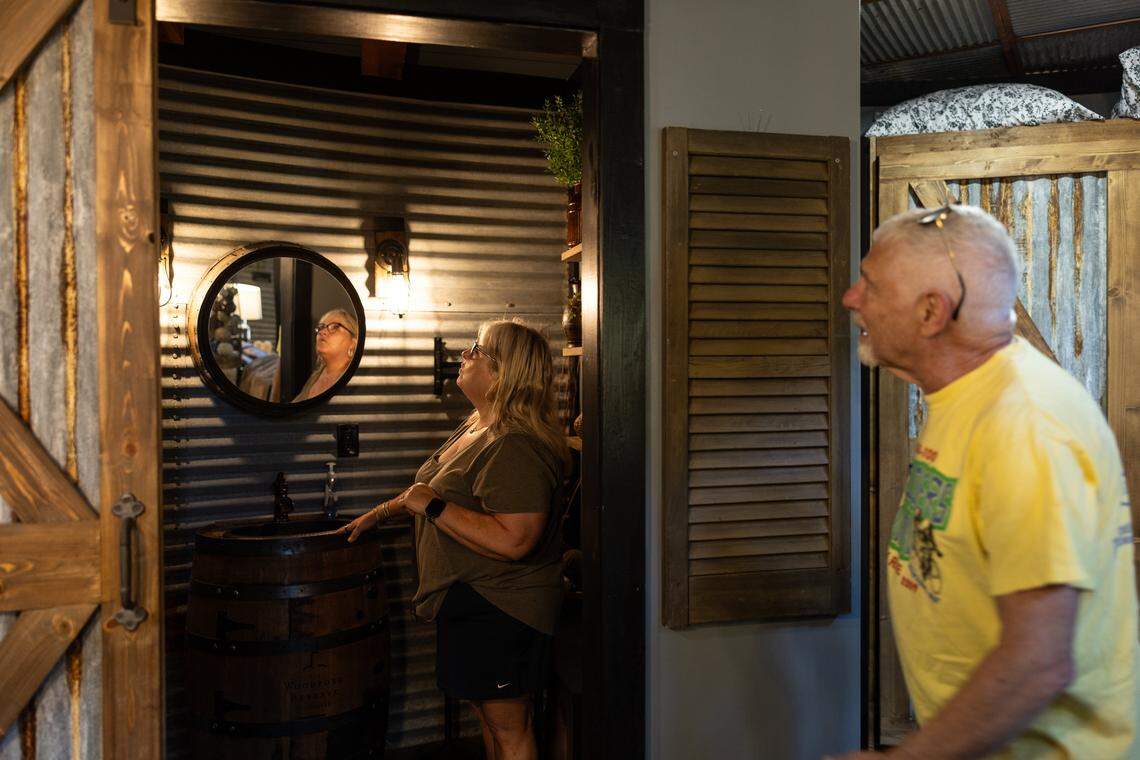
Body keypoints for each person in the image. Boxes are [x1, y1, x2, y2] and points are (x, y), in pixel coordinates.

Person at [833, 204, 1139, 759]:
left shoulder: (1025, 426)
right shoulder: (968, 395)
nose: (852, 299)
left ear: (931, 313)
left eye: (870, 285)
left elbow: (1038, 663)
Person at [339, 319, 570, 760]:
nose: (464, 355)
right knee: (488, 719)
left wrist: (434, 508)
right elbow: (425, 491)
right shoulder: (477, 426)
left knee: (510, 729)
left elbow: (516, 540)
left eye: (476, 350)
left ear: (502, 373)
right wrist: (379, 513)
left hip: (503, 607)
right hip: (472, 599)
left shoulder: (515, 445)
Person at [293, 308, 357, 402]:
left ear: (353, 343)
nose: (322, 332)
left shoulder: (354, 381)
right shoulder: (315, 377)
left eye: (335, 327)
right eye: (320, 327)